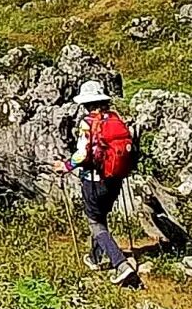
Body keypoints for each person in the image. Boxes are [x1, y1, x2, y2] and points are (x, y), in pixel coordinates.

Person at [56, 79, 139, 287]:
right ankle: (95, 258)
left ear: (86, 104)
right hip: (116, 178)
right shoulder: (114, 118)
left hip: (94, 180)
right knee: (100, 218)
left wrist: (65, 166)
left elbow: (83, 153)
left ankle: (121, 264)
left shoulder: (87, 123)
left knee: (94, 222)